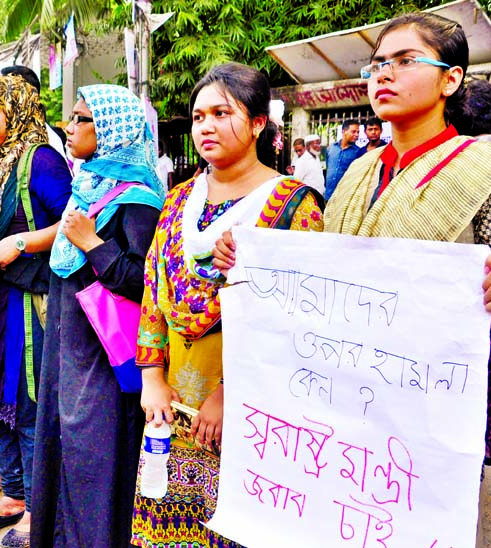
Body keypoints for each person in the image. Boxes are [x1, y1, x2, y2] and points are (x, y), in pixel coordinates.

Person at [325, 14, 491, 546]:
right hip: (344, 407)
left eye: (406, 61)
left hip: (431, 422)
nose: (383, 74)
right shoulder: (357, 172)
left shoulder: (488, 169)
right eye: (378, 64)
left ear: (451, 79)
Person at [134, 62, 325, 548]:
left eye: (222, 113)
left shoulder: (292, 206)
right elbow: (154, 292)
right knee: (168, 520)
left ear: (259, 123)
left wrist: (229, 391)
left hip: (251, 405)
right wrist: (151, 378)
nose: (206, 127)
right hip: (171, 400)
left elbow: (298, 317)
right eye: (199, 116)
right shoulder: (179, 201)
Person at [31, 84, 166, 548]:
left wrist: (92, 244)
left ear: (112, 129)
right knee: (63, 444)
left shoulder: (139, 198)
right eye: (71, 118)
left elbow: (145, 283)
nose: (71, 128)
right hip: (69, 347)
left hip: (104, 357)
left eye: (84, 119)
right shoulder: (89, 185)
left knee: (95, 456)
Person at [0, 74, 72, 545]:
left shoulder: (41, 160)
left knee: (25, 399)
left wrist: (20, 242)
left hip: (30, 298)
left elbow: (73, 222)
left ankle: (35, 506)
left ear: (18, 111)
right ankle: (12, 491)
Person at [324, 119, 364, 200]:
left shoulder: (358, 152)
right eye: (353, 131)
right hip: (328, 195)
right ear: (344, 131)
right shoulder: (331, 148)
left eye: (358, 132)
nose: (356, 135)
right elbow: (328, 167)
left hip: (345, 198)